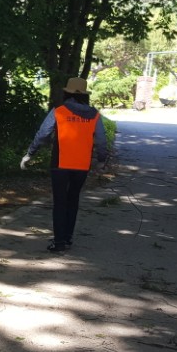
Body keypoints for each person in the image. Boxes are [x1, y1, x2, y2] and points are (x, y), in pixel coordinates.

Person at [20, 77, 109, 253]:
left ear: (67, 93)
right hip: (82, 165)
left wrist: (30, 153)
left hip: (60, 163)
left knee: (60, 202)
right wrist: (101, 160)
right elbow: (101, 140)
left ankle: (59, 241)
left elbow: (43, 134)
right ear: (85, 95)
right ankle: (67, 238)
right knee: (73, 200)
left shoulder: (59, 111)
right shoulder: (94, 115)